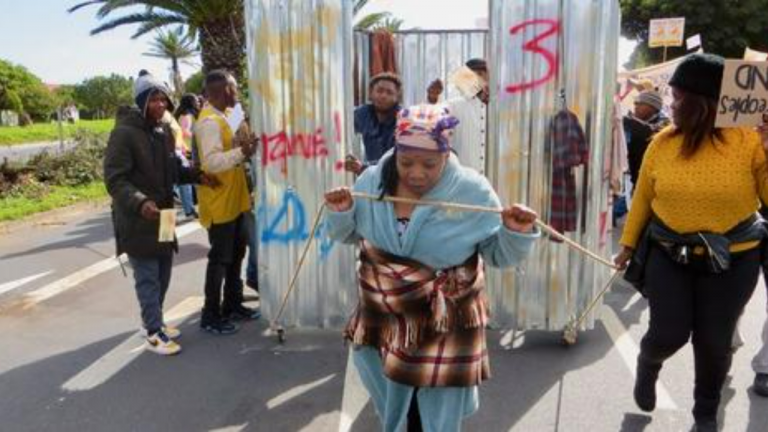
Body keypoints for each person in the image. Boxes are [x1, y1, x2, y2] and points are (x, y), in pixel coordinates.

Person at [325, 104, 540, 431]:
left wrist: (515, 232)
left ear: (446, 154)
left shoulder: (473, 191)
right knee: (397, 409)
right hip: (385, 321)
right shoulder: (371, 183)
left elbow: (499, 256)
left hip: (445, 326)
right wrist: (341, 212)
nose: (416, 173)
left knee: (433, 419)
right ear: (395, 151)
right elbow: (347, 235)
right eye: (406, 162)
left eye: (429, 164)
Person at [614, 53, 768, 432]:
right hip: (670, 255)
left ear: (703, 100)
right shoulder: (661, 144)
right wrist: (628, 245)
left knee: (715, 343)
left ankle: (705, 413)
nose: (671, 101)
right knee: (667, 333)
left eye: (677, 95)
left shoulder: (749, 140)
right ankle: (648, 364)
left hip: (735, 259)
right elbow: (644, 201)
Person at [104, 73, 214, 355]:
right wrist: (141, 203)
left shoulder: (163, 131)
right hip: (139, 218)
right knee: (148, 276)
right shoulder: (124, 134)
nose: (161, 103)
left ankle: (153, 321)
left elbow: (172, 170)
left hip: (164, 216)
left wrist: (197, 175)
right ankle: (153, 331)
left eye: (163, 98)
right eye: (154, 98)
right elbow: (115, 179)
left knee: (164, 272)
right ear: (141, 101)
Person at [195, 70, 261, 334]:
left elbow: (243, 135)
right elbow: (211, 162)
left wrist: (243, 131)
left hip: (236, 199)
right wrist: (241, 152)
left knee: (237, 254)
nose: (237, 92)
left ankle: (233, 303)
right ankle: (210, 314)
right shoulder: (209, 122)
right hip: (220, 202)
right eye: (234, 89)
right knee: (220, 259)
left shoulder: (227, 115)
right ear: (224, 91)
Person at [346, 72, 402, 175]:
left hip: (396, 178)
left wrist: (364, 168)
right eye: (379, 91)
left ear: (397, 97)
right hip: (372, 178)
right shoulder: (362, 114)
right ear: (371, 93)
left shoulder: (403, 120)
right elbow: (343, 123)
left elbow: (399, 159)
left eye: (389, 92)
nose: (383, 96)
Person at [444, 58, 489, 175]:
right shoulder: (454, 105)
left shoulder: (501, 109)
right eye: (474, 75)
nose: (480, 80)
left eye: (482, 75)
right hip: (463, 183)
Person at [623, 90, 669, 188]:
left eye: (640, 104)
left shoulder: (664, 124)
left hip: (655, 185)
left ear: (652, 107)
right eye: (635, 103)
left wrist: (627, 121)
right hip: (637, 181)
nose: (636, 107)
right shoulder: (637, 123)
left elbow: (649, 131)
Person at [172, 94, 202, 218]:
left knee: (186, 182)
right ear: (191, 102)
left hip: (183, 149)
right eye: (196, 101)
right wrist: (198, 134)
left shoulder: (180, 115)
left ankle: (189, 209)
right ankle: (189, 209)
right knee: (188, 181)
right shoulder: (187, 115)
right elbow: (185, 131)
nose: (198, 103)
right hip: (187, 150)